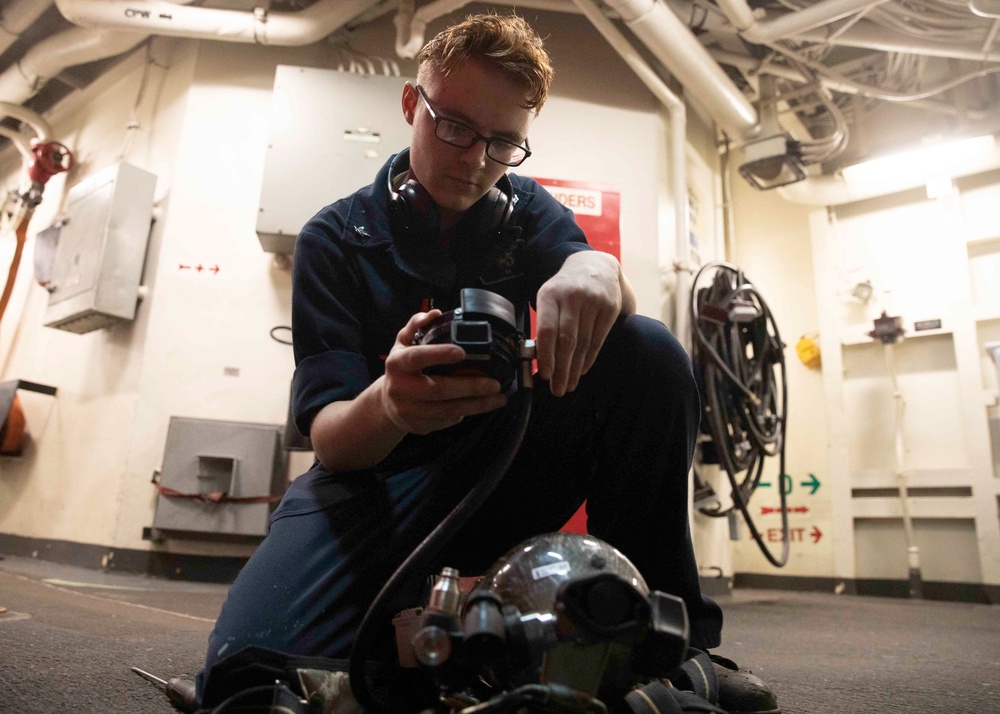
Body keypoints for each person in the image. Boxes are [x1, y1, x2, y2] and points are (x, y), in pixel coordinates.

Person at [199, 12, 777, 713]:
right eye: (455, 128)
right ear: (413, 104)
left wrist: (598, 268)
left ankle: (671, 644)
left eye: (504, 142)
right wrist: (388, 403)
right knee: (245, 672)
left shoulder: (523, 210)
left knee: (648, 349)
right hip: (374, 487)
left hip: (501, 466)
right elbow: (329, 441)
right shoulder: (333, 238)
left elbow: (604, 296)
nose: (476, 159)